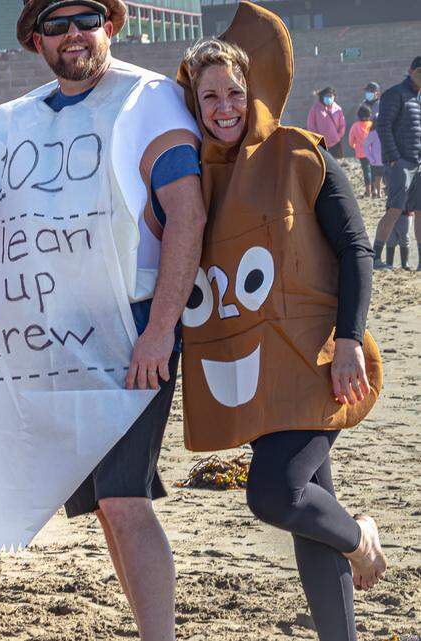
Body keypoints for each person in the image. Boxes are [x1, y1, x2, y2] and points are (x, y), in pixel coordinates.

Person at [0, 1, 205, 639]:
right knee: (105, 503)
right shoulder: (16, 120)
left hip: (134, 321)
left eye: (86, 18)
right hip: (59, 331)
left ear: (111, 25)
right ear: (36, 41)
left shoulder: (147, 98)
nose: (73, 34)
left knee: (124, 498)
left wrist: (159, 331)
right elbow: (12, 233)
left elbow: (186, 215)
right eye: (56, 24)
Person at [177, 4, 386, 639]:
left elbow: (355, 247)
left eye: (234, 93)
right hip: (253, 370)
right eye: (210, 96)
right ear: (194, 103)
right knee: (305, 504)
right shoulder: (195, 178)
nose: (225, 108)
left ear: (253, 91)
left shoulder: (299, 150)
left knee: (275, 492)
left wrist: (348, 338)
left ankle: (359, 538)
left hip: (316, 357)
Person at [371, 56, 421, 269]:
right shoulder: (395, 94)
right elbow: (383, 126)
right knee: (395, 209)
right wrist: (393, 159)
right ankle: (375, 257)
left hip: (418, 163)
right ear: (411, 71)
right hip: (400, 163)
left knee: (419, 211)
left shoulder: (417, 98)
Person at [307, 86, 346, 158]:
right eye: (327, 96)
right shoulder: (315, 109)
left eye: (331, 96)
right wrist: (318, 138)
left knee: (336, 161)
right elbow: (311, 125)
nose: (329, 98)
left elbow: (342, 125)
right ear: (322, 96)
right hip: (321, 143)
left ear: (334, 97)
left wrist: (338, 136)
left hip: (335, 142)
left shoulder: (338, 109)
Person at [350, 105, 375, 196]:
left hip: (361, 153)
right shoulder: (372, 125)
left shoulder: (355, 126)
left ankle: (368, 191)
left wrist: (354, 146)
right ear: (369, 114)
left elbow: (351, 140)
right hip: (373, 152)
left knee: (366, 171)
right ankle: (375, 189)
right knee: (374, 170)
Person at [365, 126, 385, 199]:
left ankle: (378, 192)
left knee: (379, 178)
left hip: (385, 160)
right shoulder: (373, 133)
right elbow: (366, 146)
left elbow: (366, 146)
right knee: (378, 178)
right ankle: (378, 193)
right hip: (378, 161)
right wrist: (371, 158)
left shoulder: (387, 131)